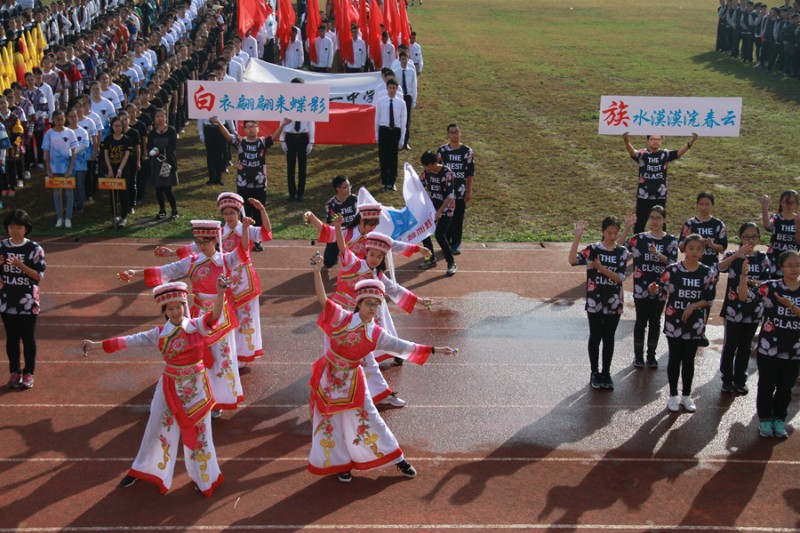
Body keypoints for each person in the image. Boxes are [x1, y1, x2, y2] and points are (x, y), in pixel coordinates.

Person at [307, 257, 457, 482]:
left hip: (353, 380)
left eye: (377, 304)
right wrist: (317, 271)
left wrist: (435, 349)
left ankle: (398, 459)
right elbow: (322, 300)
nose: (373, 308)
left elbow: (403, 346)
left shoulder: (376, 333)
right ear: (359, 303)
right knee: (331, 422)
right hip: (328, 376)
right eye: (369, 303)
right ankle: (341, 465)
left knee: (372, 418)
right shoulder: (343, 318)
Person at [82, 278, 227, 495]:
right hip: (169, 387)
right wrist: (97, 346)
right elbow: (130, 340)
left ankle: (205, 478)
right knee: (156, 427)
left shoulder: (197, 325)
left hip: (196, 388)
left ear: (185, 305)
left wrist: (220, 293)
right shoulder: (159, 333)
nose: (176, 311)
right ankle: (143, 470)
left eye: (179, 306)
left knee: (201, 434)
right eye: (170, 308)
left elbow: (215, 316)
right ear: (164, 311)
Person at [117, 219, 250, 413]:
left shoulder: (226, 260)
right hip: (197, 316)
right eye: (198, 242)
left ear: (215, 240)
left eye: (205, 241)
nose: (201, 246)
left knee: (222, 357)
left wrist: (245, 228)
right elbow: (166, 271)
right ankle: (200, 398)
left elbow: (243, 250)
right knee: (200, 358)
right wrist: (134, 272)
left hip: (220, 317)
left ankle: (220, 400)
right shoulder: (192, 261)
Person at [155, 193, 272, 366]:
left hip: (245, 280)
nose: (229, 217)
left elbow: (266, 233)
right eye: (226, 214)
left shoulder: (245, 228)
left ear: (239, 212)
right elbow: (196, 246)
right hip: (224, 281)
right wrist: (172, 253)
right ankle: (230, 355)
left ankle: (244, 353)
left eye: (232, 213)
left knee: (246, 317)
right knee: (228, 317)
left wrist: (261, 210)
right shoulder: (219, 233)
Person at [648, 234, 718, 413]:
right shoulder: (673, 270)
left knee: (689, 360)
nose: (694, 252)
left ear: (703, 251)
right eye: (691, 248)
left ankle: (686, 396)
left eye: (698, 249)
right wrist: (652, 288)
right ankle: (673, 396)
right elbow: (657, 287)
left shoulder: (707, 273)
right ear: (685, 249)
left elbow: (709, 299)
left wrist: (693, 305)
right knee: (674, 358)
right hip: (674, 321)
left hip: (695, 324)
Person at [569, 217, 628, 390]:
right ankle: (594, 372)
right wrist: (577, 237)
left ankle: (606, 372)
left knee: (609, 338)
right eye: (609, 233)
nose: (612, 236)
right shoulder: (593, 250)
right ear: (603, 232)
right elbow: (572, 260)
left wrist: (601, 268)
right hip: (595, 301)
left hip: (614, 302)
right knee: (595, 336)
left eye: (616, 233)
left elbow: (619, 278)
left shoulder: (622, 252)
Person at [618, 206, 679, 368]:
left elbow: (673, 263)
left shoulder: (671, 241)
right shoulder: (640, 239)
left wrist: (657, 254)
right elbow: (618, 246)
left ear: (664, 220)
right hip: (641, 287)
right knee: (640, 321)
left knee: (655, 321)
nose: (655, 221)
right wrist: (627, 228)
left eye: (658, 218)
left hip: (660, 287)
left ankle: (651, 356)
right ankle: (638, 356)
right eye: (652, 217)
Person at [717, 222, 771, 394]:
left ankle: (740, 379)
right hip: (734, 309)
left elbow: (767, 282)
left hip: (754, 309)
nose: (750, 240)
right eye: (747, 236)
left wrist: (753, 282)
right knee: (730, 345)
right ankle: (726, 378)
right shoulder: (732, 255)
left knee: (745, 346)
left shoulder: (762, 258)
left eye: (754, 236)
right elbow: (719, 268)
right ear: (740, 237)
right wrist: (736, 256)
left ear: (759, 238)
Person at [753, 250, 800, 438]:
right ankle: (764, 420)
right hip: (768, 348)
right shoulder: (770, 287)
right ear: (781, 267)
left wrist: (790, 305)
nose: (794, 269)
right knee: (766, 385)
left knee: (785, 387)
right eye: (789, 265)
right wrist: (741, 278)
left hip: (794, 350)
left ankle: (779, 419)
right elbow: (743, 297)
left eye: (797, 264)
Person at [1, 209, 46, 389]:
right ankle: (14, 372)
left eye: (18, 227)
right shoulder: (2, 247)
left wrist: (21, 266)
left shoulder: (34, 249)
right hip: (6, 301)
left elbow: (38, 276)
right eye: (11, 227)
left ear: (26, 228)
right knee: (11, 338)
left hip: (28, 301)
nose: (15, 230)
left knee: (28, 337)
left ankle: (28, 372)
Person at [622, 132, 698, 234]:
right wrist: (626, 141)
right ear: (647, 141)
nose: (655, 142)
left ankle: (662, 243)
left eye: (658, 139)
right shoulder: (642, 154)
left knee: (661, 222)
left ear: (661, 141)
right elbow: (632, 153)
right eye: (653, 139)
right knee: (640, 222)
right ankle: (637, 244)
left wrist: (691, 142)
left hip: (660, 195)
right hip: (643, 195)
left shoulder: (664, 154)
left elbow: (678, 153)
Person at [679, 191, 728, 347]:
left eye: (707, 204)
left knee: (706, 300)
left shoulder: (718, 224)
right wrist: (687, 238)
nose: (704, 207)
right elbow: (681, 247)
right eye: (701, 204)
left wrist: (712, 245)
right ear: (697, 205)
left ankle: (701, 331)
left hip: (710, 267)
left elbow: (723, 248)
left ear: (712, 205)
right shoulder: (690, 223)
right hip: (691, 267)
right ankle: (685, 328)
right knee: (690, 297)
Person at [418, 150, 457, 275]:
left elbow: (450, 195)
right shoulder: (426, 173)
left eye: (426, 165)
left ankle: (451, 262)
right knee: (425, 232)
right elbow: (419, 185)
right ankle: (430, 259)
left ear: (433, 163)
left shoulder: (447, 174)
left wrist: (440, 211)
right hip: (432, 207)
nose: (424, 168)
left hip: (447, 208)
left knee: (440, 235)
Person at [437, 123, 474, 256]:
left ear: (460, 133)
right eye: (452, 132)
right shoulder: (442, 151)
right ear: (448, 134)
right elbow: (437, 170)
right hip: (446, 193)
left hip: (460, 191)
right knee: (446, 219)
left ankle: (456, 244)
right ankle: (446, 243)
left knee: (458, 219)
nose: (454, 134)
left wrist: (469, 191)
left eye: (457, 132)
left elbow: (470, 172)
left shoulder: (467, 151)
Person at [279, 78, 315, 203]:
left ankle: (301, 193)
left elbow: (311, 122)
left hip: (303, 136)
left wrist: (311, 141)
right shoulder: (286, 102)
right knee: (290, 167)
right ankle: (292, 193)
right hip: (290, 136)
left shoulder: (308, 102)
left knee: (302, 167)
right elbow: (282, 121)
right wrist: (282, 139)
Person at [43, 109, 78, 229]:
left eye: (62, 119)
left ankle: (68, 218)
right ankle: (59, 217)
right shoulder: (49, 133)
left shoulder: (70, 133)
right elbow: (46, 152)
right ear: (53, 120)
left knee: (69, 193)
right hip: (54, 168)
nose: (60, 121)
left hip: (67, 168)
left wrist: (70, 169)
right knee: (57, 193)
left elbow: (74, 153)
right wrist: (48, 169)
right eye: (57, 119)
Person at [102, 117, 134, 227]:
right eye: (115, 126)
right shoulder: (108, 139)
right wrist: (110, 169)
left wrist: (120, 168)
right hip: (111, 169)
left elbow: (126, 154)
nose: (117, 128)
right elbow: (106, 154)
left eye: (119, 126)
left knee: (123, 194)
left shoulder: (126, 139)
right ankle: (115, 216)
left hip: (124, 170)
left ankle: (123, 217)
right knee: (112, 194)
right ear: (112, 127)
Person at [148, 108, 179, 220]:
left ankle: (174, 210)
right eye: (158, 116)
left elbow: (173, 146)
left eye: (162, 116)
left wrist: (160, 152)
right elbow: (149, 147)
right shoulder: (152, 133)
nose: (160, 118)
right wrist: (153, 153)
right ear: (154, 118)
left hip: (167, 163)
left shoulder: (171, 130)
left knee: (167, 189)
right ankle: (162, 210)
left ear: (166, 117)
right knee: (158, 189)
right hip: (156, 164)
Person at [375, 78, 405, 192]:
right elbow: (377, 119)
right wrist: (377, 135)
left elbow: (403, 121)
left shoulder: (401, 103)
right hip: (384, 130)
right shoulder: (381, 101)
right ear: (387, 88)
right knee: (383, 157)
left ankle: (392, 182)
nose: (392, 90)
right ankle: (384, 181)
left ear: (397, 89)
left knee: (393, 157)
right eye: (390, 88)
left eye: (394, 88)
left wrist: (402, 138)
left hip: (395, 130)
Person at [321, 175, 358, 268]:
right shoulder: (331, 205)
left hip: (354, 232)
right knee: (329, 263)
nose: (349, 189)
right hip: (339, 233)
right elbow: (330, 224)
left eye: (349, 186)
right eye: (345, 187)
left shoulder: (354, 199)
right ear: (338, 189)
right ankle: (337, 253)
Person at [761, 190, 799, 278]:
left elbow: (798, 241)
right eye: (786, 202)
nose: (788, 205)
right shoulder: (776, 218)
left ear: (797, 204)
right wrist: (765, 207)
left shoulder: (798, 220)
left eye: (792, 203)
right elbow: (767, 226)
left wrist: (798, 226)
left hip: (790, 260)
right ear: (781, 203)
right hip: (773, 258)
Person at [65, 107, 91, 217]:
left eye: (75, 116)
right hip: (67, 164)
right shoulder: (64, 131)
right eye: (70, 117)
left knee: (80, 184)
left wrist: (72, 153)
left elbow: (85, 144)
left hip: (80, 164)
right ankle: (71, 204)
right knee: (70, 185)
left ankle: (80, 205)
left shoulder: (83, 131)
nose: (73, 119)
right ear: (67, 118)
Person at [393, 51, 416, 151]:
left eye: (405, 59)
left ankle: (406, 141)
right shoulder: (396, 71)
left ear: (408, 59)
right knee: (398, 119)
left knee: (407, 120)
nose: (404, 61)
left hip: (408, 97)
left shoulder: (411, 71)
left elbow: (414, 86)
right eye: (402, 59)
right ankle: (398, 141)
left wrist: (413, 100)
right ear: (400, 60)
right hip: (399, 97)